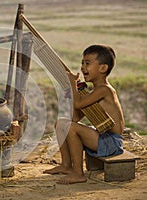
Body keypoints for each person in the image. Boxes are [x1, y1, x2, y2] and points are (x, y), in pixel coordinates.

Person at [43, 44, 124, 184]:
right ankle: (66, 165)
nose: (82, 67)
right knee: (61, 123)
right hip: (103, 138)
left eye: (87, 63)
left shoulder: (105, 90)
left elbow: (78, 104)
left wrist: (73, 87)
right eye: (82, 63)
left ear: (103, 68)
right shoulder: (94, 93)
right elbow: (75, 117)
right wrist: (73, 91)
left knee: (71, 127)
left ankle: (78, 174)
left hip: (112, 142)